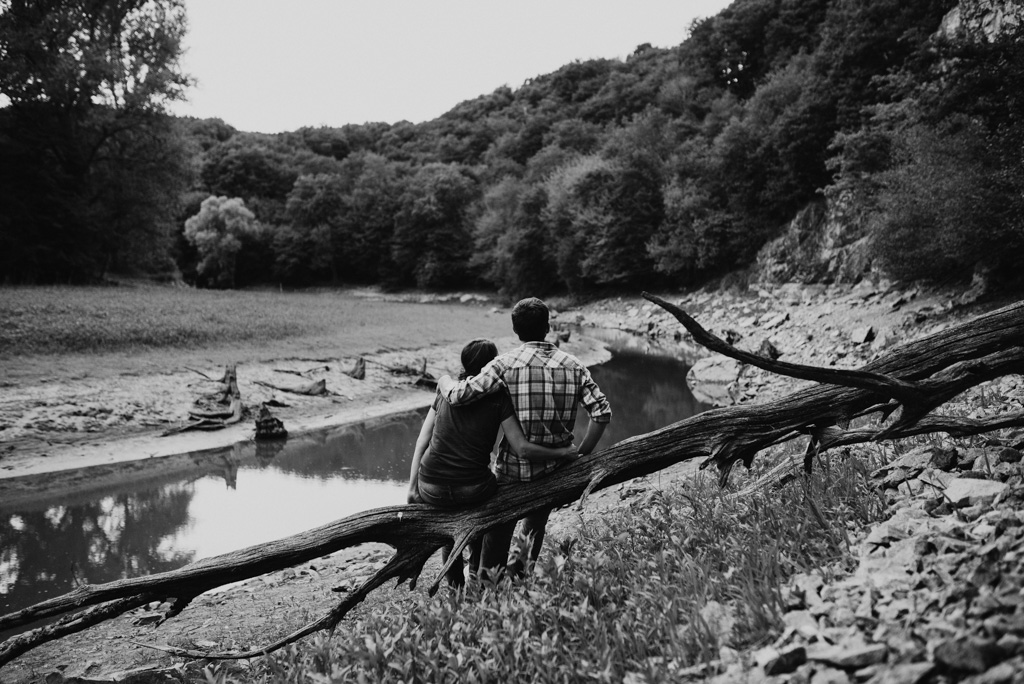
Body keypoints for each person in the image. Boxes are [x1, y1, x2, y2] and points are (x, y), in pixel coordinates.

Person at [436, 297, 612, 579]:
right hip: (555, 471)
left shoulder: (504, 364)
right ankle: (519, 584)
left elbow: (459, 396)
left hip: (511, 472)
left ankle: (489, 595)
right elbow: (602, 413)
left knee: (495, 544)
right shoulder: (574, 364)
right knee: (533, 531)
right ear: (548, 327)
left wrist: (444, 380)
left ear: (516, 332)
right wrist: (581, 454)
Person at [407, 338, 577, 587]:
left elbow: (422, 441)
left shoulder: (446, 391)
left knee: (449, 531)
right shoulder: (499, 397)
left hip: (430, 485)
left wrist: (412, 488)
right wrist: (564, 453)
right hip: (472, 489)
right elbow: (521, 448)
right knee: (482, 521)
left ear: (464, 362)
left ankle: (454, 588)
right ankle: (476, 577)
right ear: (493, 364)